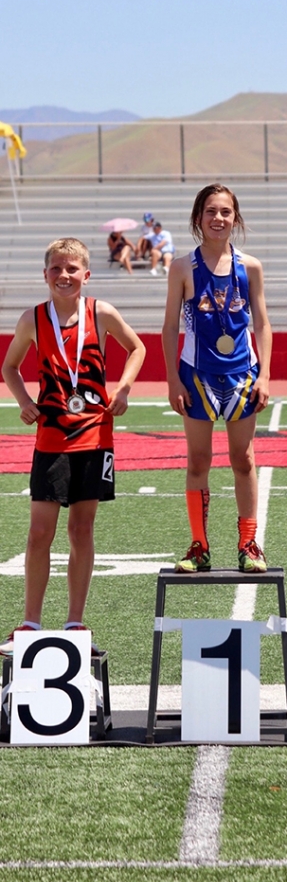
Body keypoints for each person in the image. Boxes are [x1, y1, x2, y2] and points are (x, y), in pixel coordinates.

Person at [0, 238, 146, 654]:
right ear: (45, 274)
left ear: (86, 274)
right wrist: (25, 402)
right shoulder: (32, 318)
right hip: (51, 438)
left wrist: (124, 389)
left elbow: (137, 347)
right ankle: (29, 622)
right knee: (39, 532)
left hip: (96, 437)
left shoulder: (100, 312)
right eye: (56, 269)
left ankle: (75, 623)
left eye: (71, 269)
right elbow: (9, 365)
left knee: (81, 530)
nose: (64, 276)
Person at [162, 184, 272, 574]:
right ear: (198, 218)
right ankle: (199, 546)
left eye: (226, 212)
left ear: (235, 218)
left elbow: (261, 322)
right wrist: (174, 381)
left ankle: (248, 544)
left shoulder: (250, 267)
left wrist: (265, 375)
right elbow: (169, 328)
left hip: (242, 376)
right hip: (197, 377)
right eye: (211, 211)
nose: (218, 218)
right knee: (199, 460)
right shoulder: (182, 268)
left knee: (243, 459)